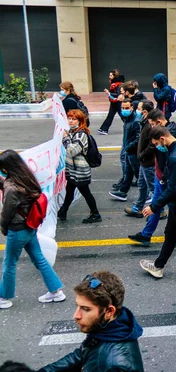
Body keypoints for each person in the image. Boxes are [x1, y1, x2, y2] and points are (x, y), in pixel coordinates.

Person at [39, 271, 144, 372]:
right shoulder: (107, 328)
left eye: (85, 309)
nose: (76, 316)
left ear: (109, 311)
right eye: (77, 306)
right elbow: (83, 354)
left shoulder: (116, 366)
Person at [0, 150, 65, 309]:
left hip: (17, 230)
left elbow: (7, 212)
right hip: (30, 227)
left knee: (9, 263)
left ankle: (4, 297)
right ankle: (56, 292)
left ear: (7, 169)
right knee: (39, 259)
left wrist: (3, 227)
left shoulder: (11, 188)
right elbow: (9, 186)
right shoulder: (27, 179)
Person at [139, 126, 176, 278]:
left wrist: (154, 207)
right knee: (170, 234)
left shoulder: (175, 157)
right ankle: (158, 266)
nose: (157, 147)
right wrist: (164, 179)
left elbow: (174, 188)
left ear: (162, 139)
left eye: (156, 144)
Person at [127, 109, 176, 246]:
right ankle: (146, 234)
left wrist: (163, 178)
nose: (150, 126)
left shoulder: (168, 137)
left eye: (151, 124)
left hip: (164, 178)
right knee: (156, 205)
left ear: (159, 122)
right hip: (159, 176)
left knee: (171, 206)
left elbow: (170, 162)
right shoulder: (160, 134)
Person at [58, 110, 102, 224]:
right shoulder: (72, 132)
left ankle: (95, 214)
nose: (71, 121)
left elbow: (72, 151)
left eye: (74, 119)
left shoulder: (81, 134)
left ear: (80, 121)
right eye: (69, 118)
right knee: (69, 191)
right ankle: (63, 211)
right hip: (73, 169)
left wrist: (65, 139)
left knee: (85, 192)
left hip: (80, 170)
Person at [125, 100, 155, 218]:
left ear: (145, 112)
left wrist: (142, 154)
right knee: (142, 185)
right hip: (143, 162)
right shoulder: (144, 123)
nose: (136, 110)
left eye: (138, 108)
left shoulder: (149, 126)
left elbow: (152, 145)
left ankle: (161, 209)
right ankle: (138, 208)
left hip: (148, 162)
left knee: (153, 187)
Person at [109, 99, 141, 202]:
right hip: (129, 151)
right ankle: (123, 192)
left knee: (138, 174)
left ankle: (149, 194)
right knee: (128, 173)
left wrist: (128, 147)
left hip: (133, 153)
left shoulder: (135, 121)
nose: (124, 110)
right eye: (122, 108)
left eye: (127, 108)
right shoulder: (127, 119)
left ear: (132, 108)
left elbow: (138, 139)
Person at [98, 69, 125, 135]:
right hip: (114, 102)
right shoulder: (114, 84)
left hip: (117, 102)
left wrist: (109, 93)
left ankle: (104, 129)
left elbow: (118, 95)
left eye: (110, 75)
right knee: (111, 115)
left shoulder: (117, 84)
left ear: (114, 76)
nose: (109, 76)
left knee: (121, 116)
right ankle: (104, 129)